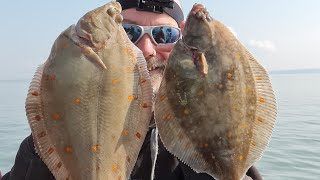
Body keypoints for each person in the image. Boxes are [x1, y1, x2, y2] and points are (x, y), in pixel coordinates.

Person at [1, 0, 263, 179]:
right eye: (128, 32)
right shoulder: (43, 148)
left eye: (164, 35)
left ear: (182, 39)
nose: (146, 49)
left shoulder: (206, 144)